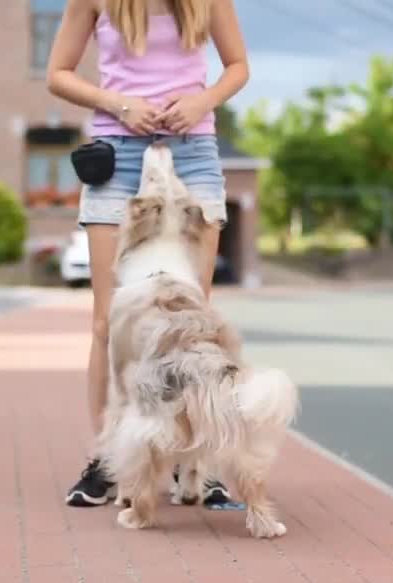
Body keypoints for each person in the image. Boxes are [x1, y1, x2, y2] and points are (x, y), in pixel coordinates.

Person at [46, 0, 249, 507]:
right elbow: (58, 75)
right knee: (107, 322)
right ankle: (109, 460)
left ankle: (193, 464)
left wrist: (203, 103)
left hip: (194, 153)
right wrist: (120, 104)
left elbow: (238, 66)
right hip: (118, 153)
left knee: (191, 322)